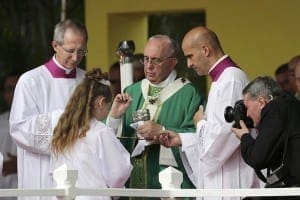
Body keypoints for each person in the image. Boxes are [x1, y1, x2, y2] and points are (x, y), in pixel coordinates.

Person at [158, 26, 261, 200]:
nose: (189, 64)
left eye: (190, 56)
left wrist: (200, 123)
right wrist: (182, 139)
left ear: (205, 50)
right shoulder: (222, 80)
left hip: (231, 182)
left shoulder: (231, 80)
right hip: (222, 180)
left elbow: (220, 141)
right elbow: (216, 132)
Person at [107, 34, 203, 198]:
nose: (149, 66)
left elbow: (200, 137)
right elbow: (107, 138)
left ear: (172, 63)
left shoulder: (188, 94)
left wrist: (162, 130)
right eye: (146, 59)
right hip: (131, 186)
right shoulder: (132, 92)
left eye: (156, 60)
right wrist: (114, 116)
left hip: (169, 183)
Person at [9, 19, 87, 200]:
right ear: (55, 45)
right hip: (41, 171)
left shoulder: (89, 82)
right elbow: (19, 128)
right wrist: (62, 120)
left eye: (81, 51)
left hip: (81, 173)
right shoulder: (31, 81)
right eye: (70, 50)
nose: (76, 57)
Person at [50, 68, 132, 200]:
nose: (108, 110)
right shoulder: (100, 132)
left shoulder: (64, 130)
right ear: (101, 103)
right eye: (108, 105)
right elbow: (117, 174)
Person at [231, 76, 300, 199]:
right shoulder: (290, 104)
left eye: (247, 108)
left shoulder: (274, 109)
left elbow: (257, 158)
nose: (246, 114)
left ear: (262, 102)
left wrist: (244, 137)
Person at [0, 72, 19, 200]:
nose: (15, 93)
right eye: (11, 89)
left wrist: (21, 164)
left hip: (30, 192)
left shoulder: (42, 121)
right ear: (4, 94)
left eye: (19, 88)